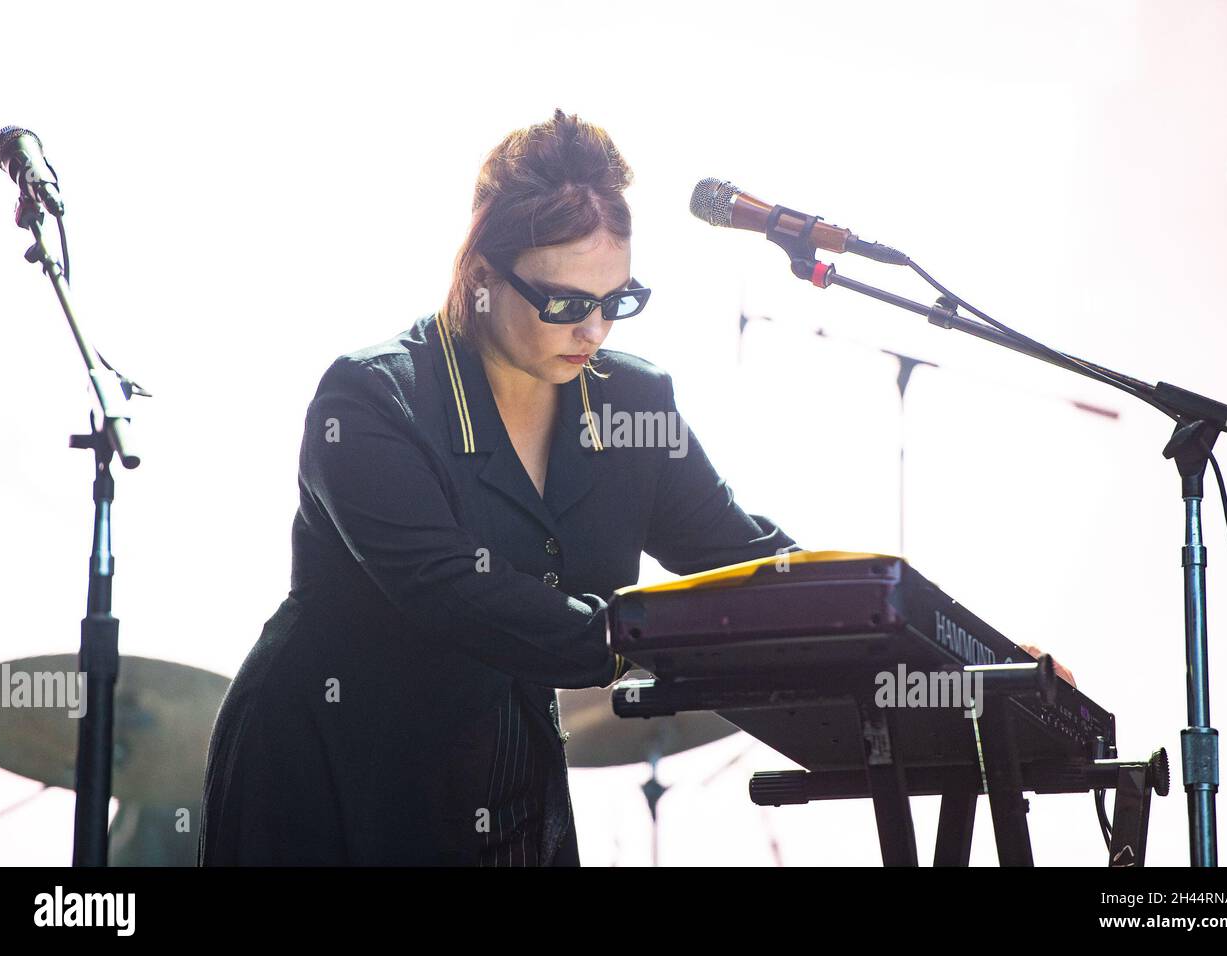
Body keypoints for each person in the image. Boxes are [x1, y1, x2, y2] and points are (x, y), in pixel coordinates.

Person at [198, 109, 800, 866]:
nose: (595, 331)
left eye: (618, 301)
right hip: (330, 778)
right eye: (566, 304)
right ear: (481, 277)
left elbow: (738, 552)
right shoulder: (371, 400)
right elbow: (451, 593)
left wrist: (873, 614)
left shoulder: (632, 407)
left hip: (504, 781)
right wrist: (643, 637)